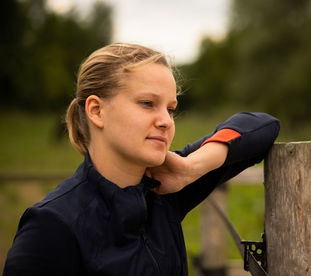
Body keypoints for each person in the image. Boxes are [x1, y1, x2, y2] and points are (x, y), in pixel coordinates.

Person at [3, 43, 280, 276]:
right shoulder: (51, 227)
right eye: (147, 103)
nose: (165, 121)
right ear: (97, 111)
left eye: (170, 109)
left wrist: (190, 169)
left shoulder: (166, 188)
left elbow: (262, 126)